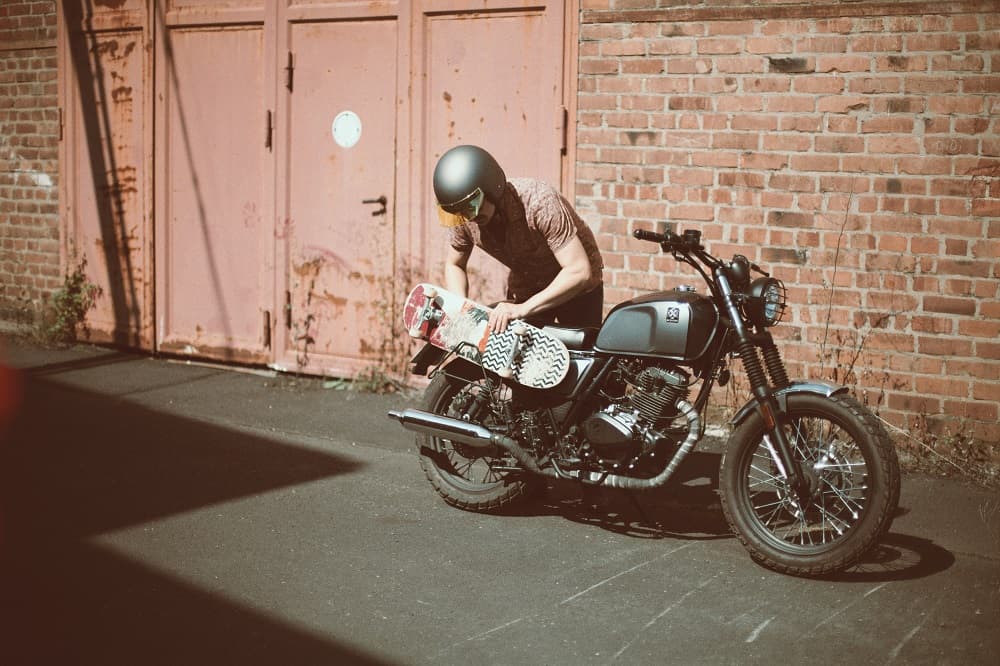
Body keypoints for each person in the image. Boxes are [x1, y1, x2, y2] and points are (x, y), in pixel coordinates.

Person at [434, 145, 604, 334]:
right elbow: (454, 264)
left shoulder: (539, 201)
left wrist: (522, 309)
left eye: (472, 206)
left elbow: (579, 271)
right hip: (528, 283)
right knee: (514, 356)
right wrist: (461, 309)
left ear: (490, 186)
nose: (469, 217)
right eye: (459, 211)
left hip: (576, 288)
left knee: (580, 357)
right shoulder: (464, 216)